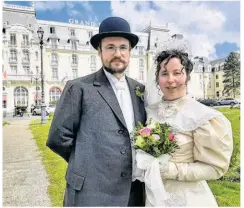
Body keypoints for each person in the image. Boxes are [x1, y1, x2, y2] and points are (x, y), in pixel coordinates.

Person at [46, 17, 146, 206]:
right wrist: (87, 162)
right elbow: (58, 138)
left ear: (130, 52)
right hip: (91, 193)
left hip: (133, 194)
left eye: (123, 47)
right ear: (99, 52)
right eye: (110, 47)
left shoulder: (139, 90)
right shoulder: (78, 88)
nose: (117, 53)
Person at [144, 49, 233, 206]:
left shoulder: (203, 116)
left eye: (177, 73)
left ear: (187, 76)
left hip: (187, 199)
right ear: (157, 79)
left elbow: (215, 168)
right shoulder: (148, 111)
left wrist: (171, 170)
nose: (171, 79)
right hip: (151, 197)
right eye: (164, 73)